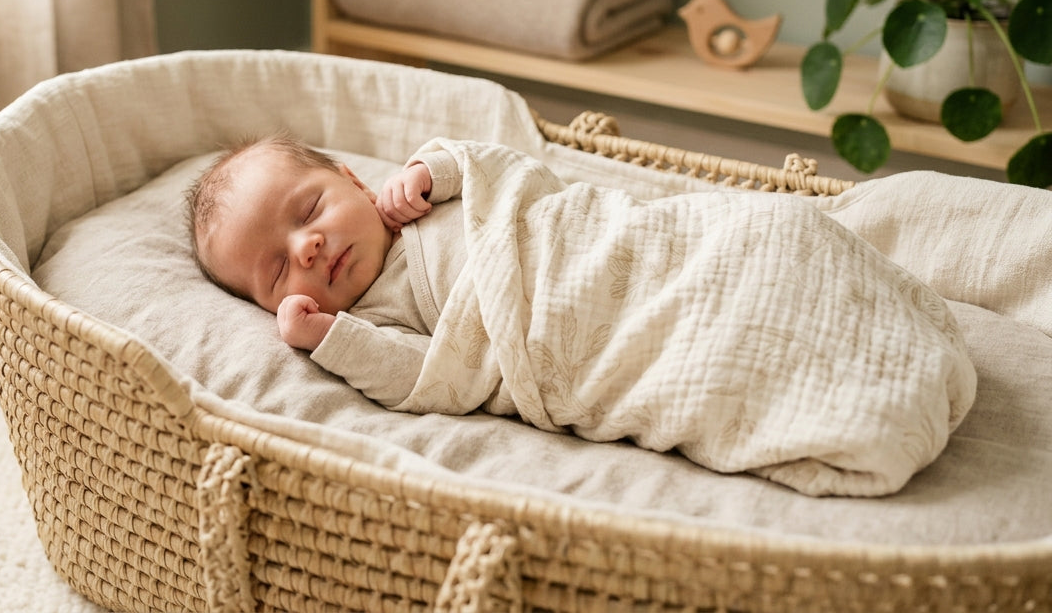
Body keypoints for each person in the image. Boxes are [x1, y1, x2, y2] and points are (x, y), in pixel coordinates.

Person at [187, 133, 975, 497]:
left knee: (774, 233)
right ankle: (853, 405)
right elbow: (433, 383)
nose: (311, 245)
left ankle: (870, 322)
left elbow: (523, 175)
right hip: (589, 337)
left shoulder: (423, 196)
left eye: (309, 210)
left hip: (619, 249)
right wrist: (330, 340)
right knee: (716, 359)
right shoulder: (374, 321)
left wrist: (440, 166)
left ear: (357, 179)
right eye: (278, 268)